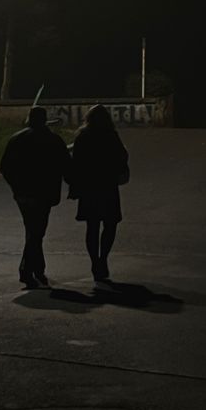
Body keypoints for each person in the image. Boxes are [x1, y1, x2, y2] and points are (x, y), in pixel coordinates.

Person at [0, 106, 70, 289]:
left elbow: (5, 167)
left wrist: (16, 186)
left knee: (32, 229)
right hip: (44, 193)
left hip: (23, 194)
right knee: (37, 231)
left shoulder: (17, 140)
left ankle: (37, 268)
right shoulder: (54, 140)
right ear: (44, 119)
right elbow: (66, 166)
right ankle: (28, 269)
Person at [68, 104, 129, 283]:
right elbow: (122, 157)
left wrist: (74, 184)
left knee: (92, 226)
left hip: (89, 186)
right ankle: (103, 259)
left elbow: (76, 162)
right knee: (110, 224)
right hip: (107, 185)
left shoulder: (83, 137)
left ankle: (95, 261)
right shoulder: (111, 135)